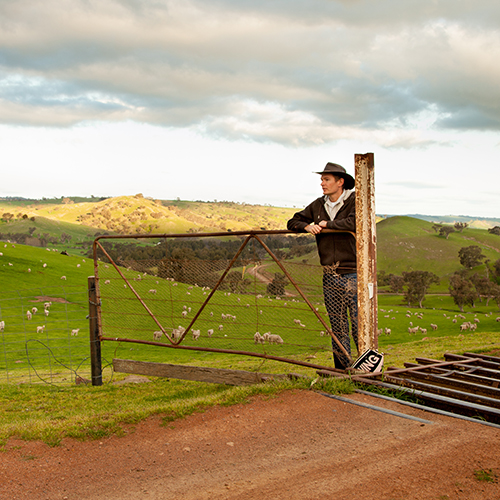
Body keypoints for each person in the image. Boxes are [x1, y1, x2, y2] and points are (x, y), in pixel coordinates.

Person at [287, 162, 358, 369]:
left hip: (354, 272)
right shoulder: (318, 205)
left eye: (326, 179)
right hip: (330, 273)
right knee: (337, 325)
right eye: (321, 179)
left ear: (340, 182)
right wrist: (306, 225)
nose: (322, 183)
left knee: (358, 325)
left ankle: (365, 369)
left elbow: (355, 222)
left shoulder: (354, 201)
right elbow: (292, 222)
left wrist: (328, 225)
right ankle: (344, 370)